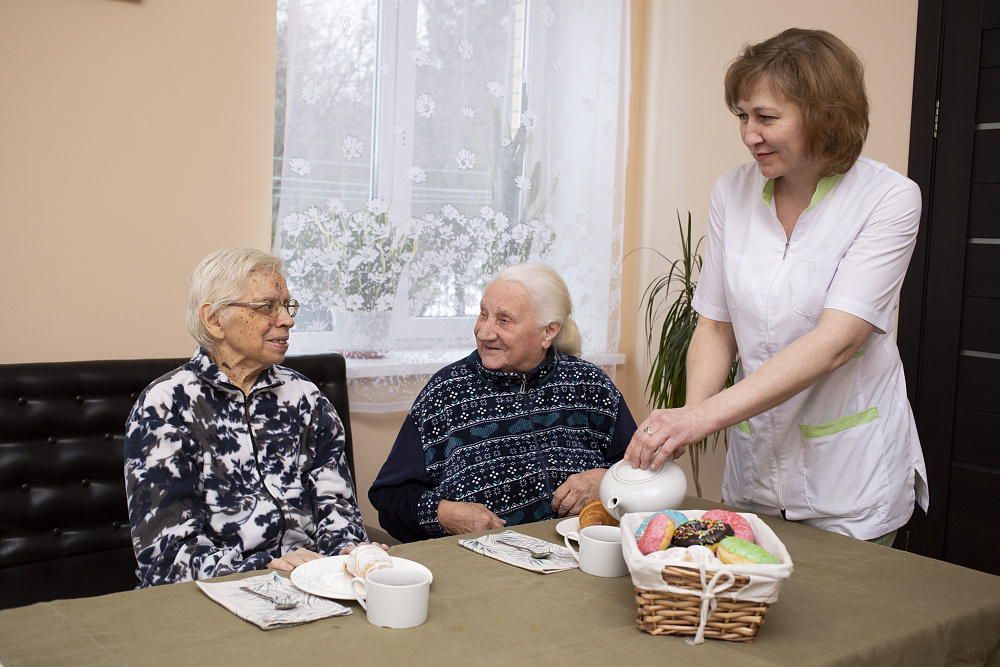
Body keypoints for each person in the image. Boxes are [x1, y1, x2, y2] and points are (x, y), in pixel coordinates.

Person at [625, 28, 929, 544]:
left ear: (826, 115)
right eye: (743, 116)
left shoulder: (889, 199)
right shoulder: (733, 190)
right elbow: (717, 326)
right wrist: (689, 415)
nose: (749, 135)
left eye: (767, 118)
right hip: (757, 468)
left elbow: (837, 342)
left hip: (848, 479)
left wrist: (700, 419)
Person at [125, 248, 382, 587]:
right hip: (215, 592)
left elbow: (335, 505)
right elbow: (167, 557)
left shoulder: (305, 396)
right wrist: (266, 567)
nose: (287, 320)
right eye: (267, 307)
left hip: (311, 579)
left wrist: (350, 553)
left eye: (287, 306)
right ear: (215, 320)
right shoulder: (167, 405)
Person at [369, 262, 637, 542]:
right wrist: (444, 514)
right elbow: (390, 498)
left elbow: (644, 474)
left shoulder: (589, 385)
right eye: (483, 313)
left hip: (584, 560)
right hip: (483, 571)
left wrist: (607, 481)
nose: (484, 332)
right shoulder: (446, 392)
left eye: (504, 320)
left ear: (548, 332)